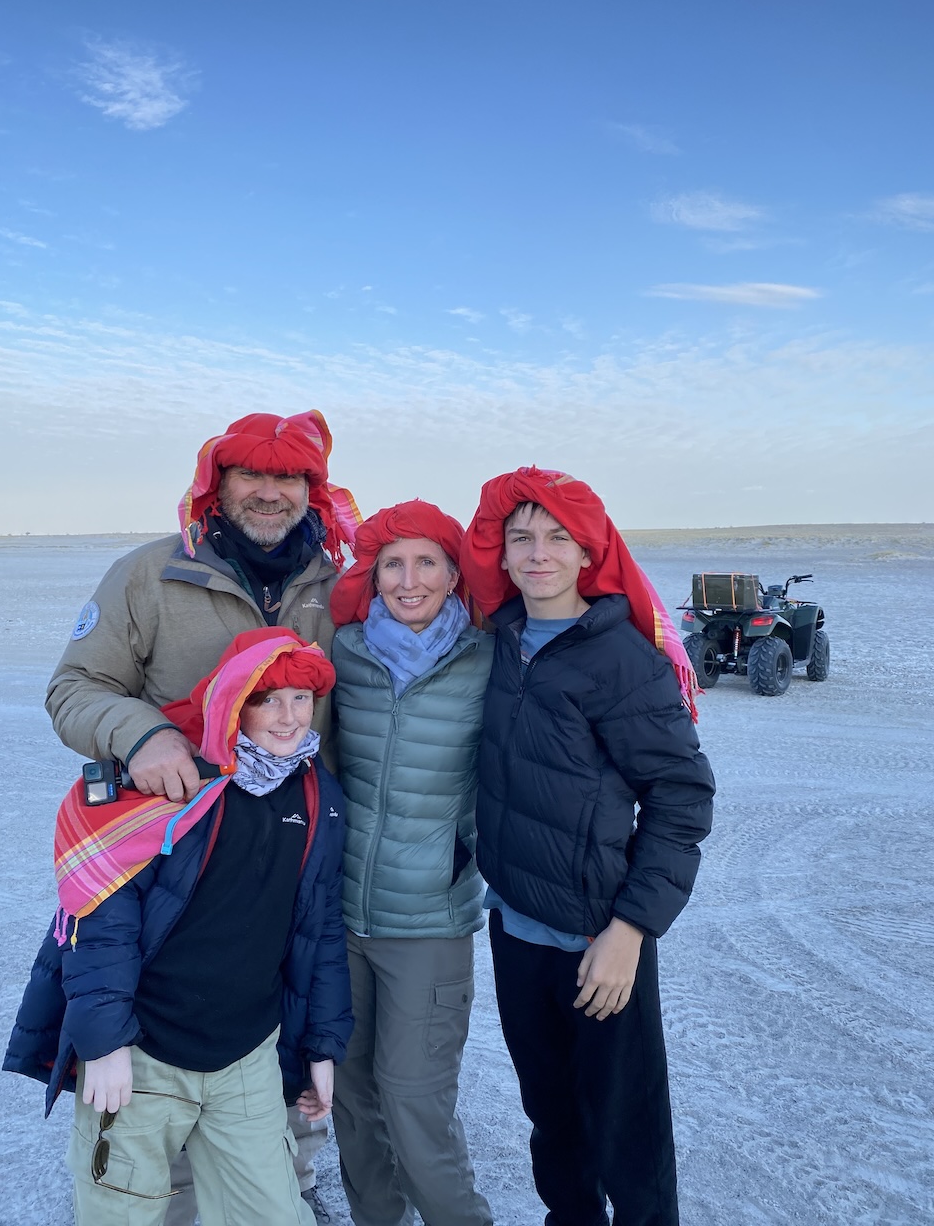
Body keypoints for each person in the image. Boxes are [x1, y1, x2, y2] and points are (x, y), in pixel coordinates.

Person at [44, 410, 361, 1223]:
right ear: (215, 485)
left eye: (288, 478)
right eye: (250, 475)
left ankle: (290, 1185)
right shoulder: (150, 575)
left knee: (277, 1082)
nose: (269, 493)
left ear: (310, 489)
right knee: (155, 1113)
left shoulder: (338, 581)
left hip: (291, 853)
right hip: (171, 861)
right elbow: (74, 688)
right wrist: (142, 732)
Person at [4, 629, 353, 1226]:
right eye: (269, 698)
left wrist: (322, 1043)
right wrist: (105, 1042)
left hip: (246, 1052)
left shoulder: (320, 794)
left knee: (272, 1212)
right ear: (233, 702)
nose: (289, 716)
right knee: (121, 1211)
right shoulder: (174, 786)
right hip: (146, 1050)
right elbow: (100, 917)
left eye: (302, 698)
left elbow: (318, 927)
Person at [459, 466, 716, 1226]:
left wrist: (631, 931)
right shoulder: (498, 643)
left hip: (598, 938)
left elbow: (682, 796)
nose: (538, 553)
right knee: (554, 1121)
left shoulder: (620, 657)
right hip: (515, 932)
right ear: (500, 556)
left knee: (627, 1138)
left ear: (586, 554)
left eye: (557, 539)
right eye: (521, 538)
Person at [328, 500, 494, 1226]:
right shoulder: (345, 651)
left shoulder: (490, 658)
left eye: (427, 561)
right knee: (354, 1103)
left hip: (430, 922)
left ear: (455, 573)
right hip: (340, 918)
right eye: (393, 563)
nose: (409, 579)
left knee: (414, 1106)